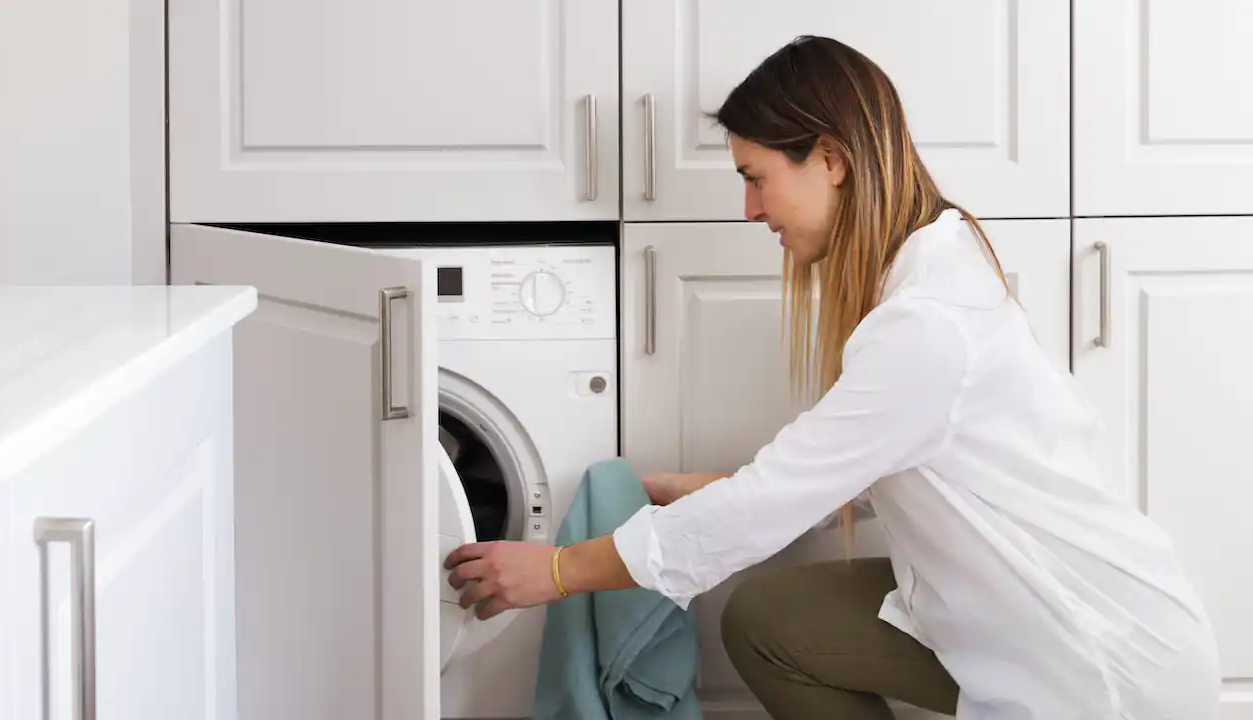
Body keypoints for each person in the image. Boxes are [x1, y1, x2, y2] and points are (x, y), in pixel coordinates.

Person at [443, 35, 1221, 719]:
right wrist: (718, 484)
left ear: (831, 160)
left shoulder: (927, 321)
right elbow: (874, 466)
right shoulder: (935, 255)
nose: (749, 209)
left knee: (765, 596)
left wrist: (555, 570)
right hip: (1038, 615)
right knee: (768, 618)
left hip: (1100, 670)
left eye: (756, 177)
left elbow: (770, 504)